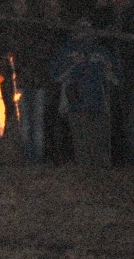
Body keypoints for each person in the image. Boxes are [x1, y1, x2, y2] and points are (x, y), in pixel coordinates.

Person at [50, 16, 121, 168]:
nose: (85, 31)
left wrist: (107, 69)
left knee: (100, 142)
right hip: (75, 102)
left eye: (88, 27)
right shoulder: (66, 50)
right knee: (81, 142)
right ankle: (84, 173)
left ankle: (102, 174)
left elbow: (116, 79)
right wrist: (72, 64)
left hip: (99, 102)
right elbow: (55, 76)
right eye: (81, 27)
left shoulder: (101, 52)